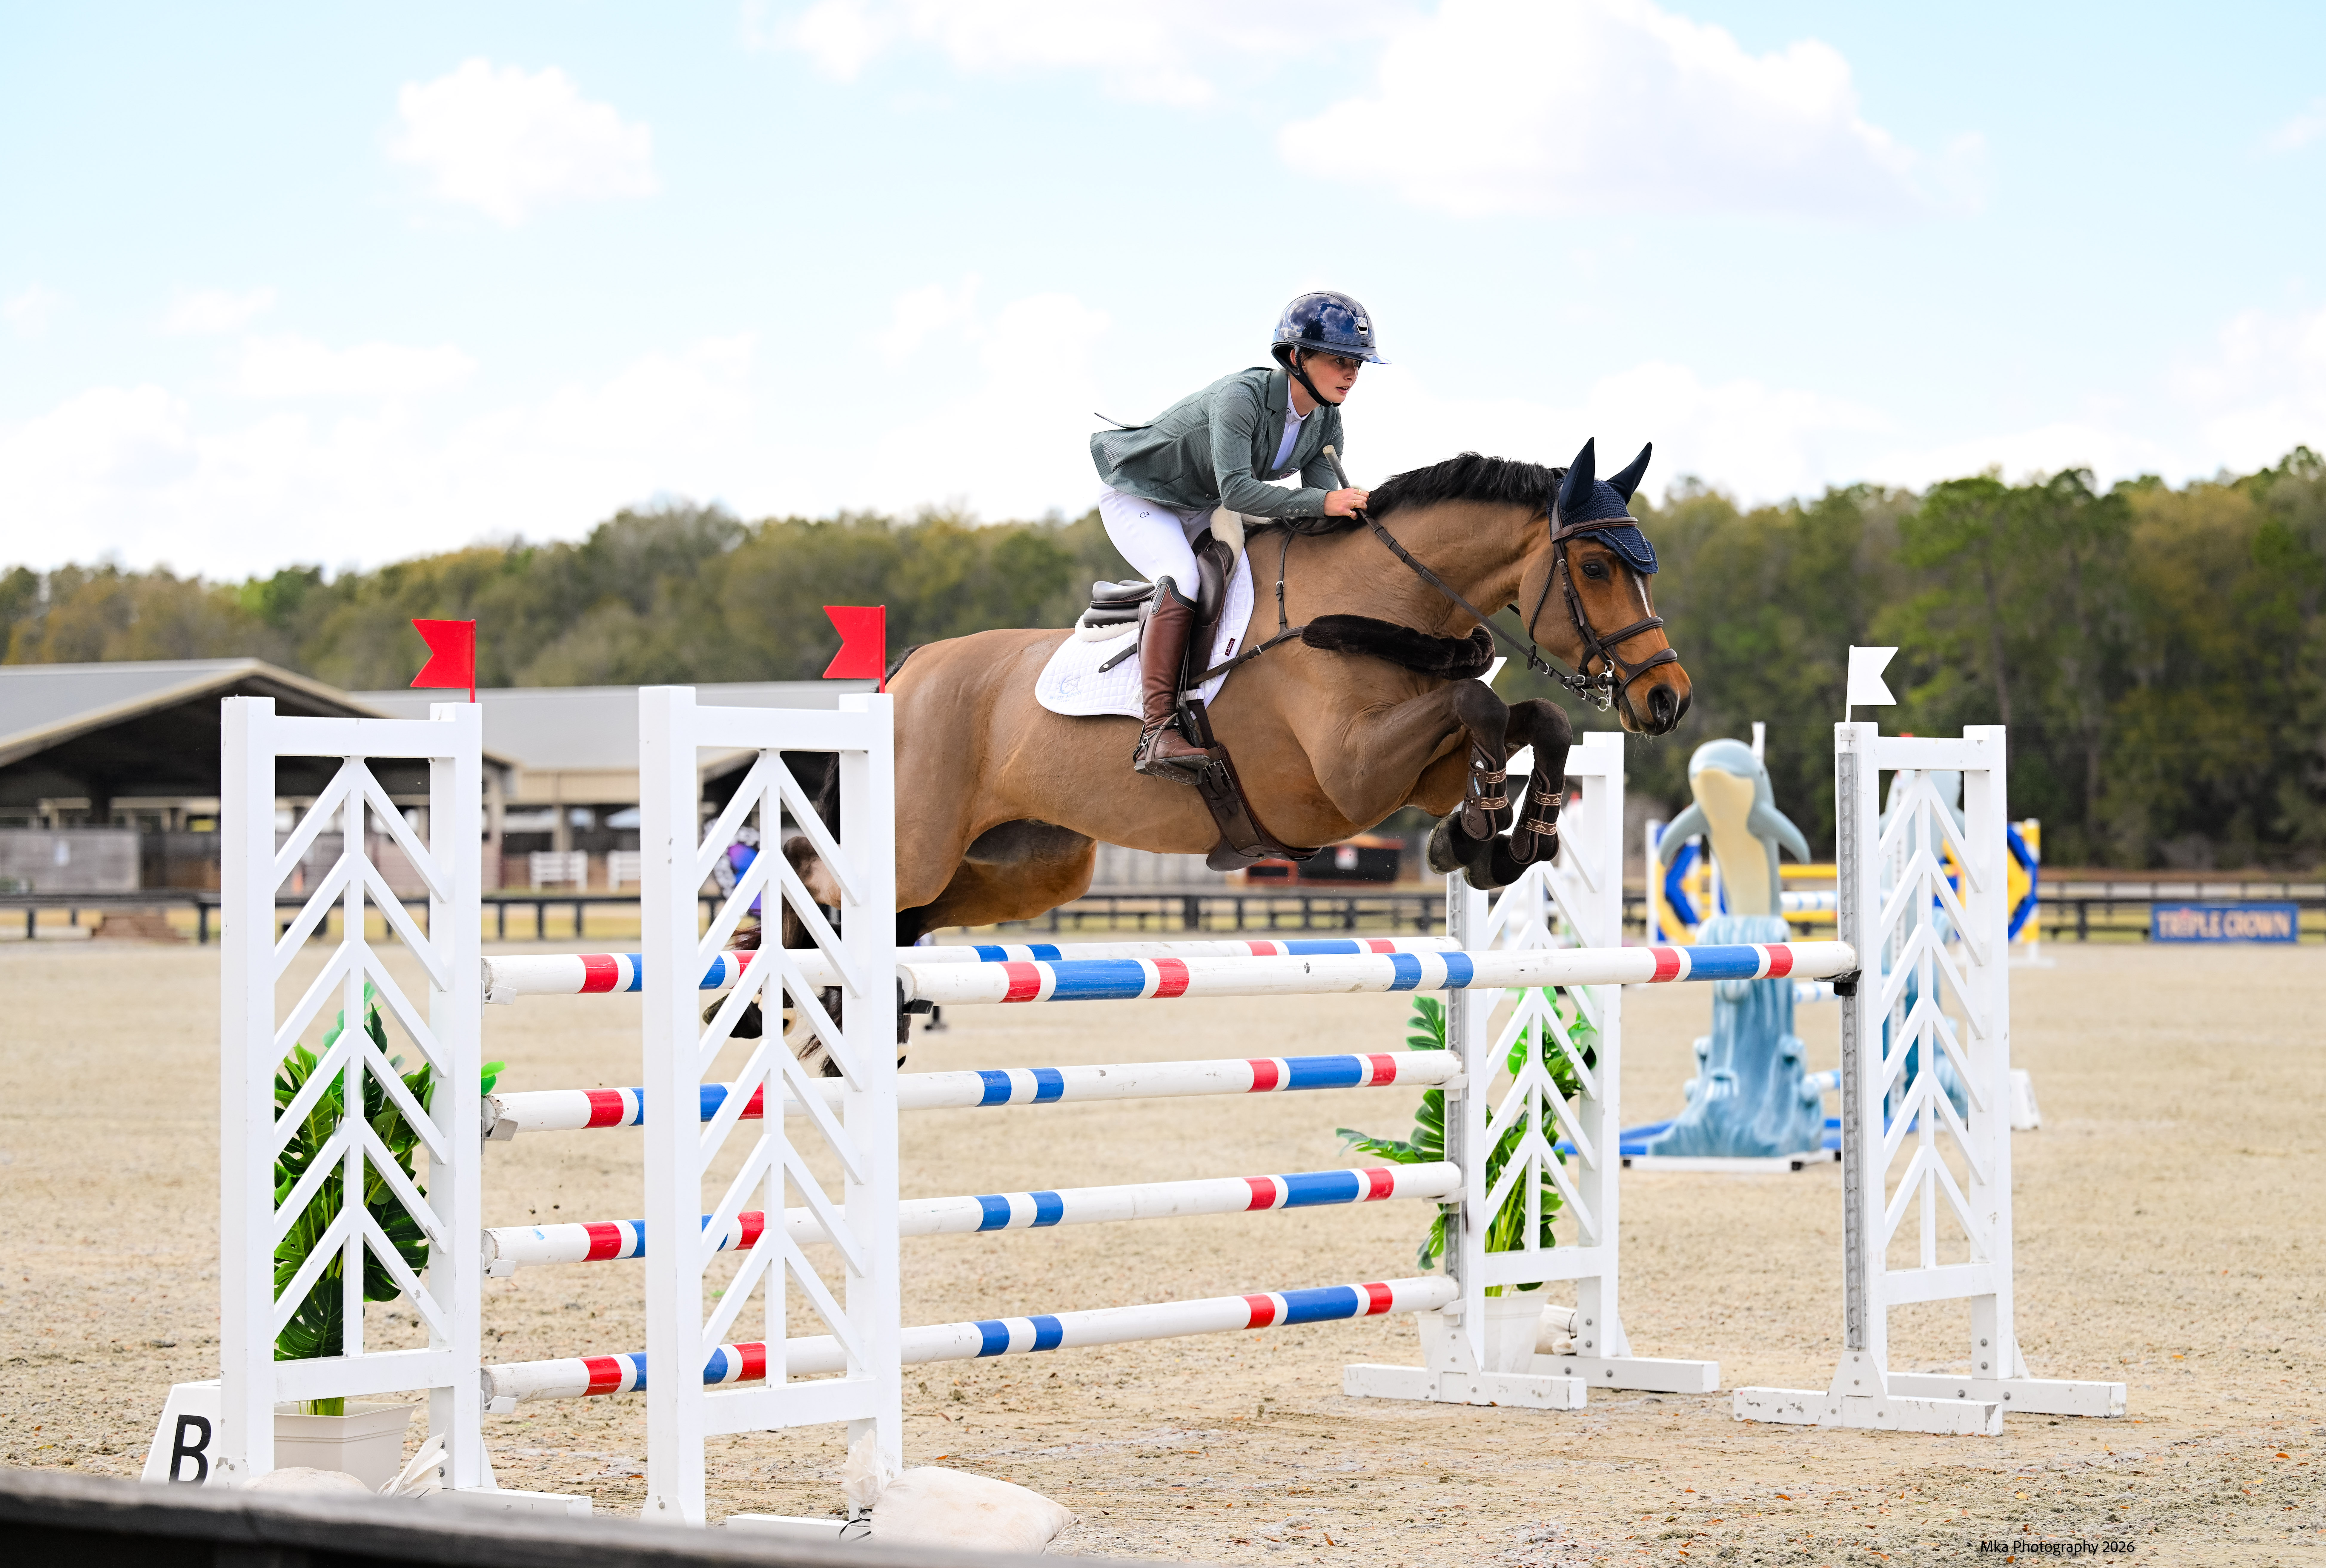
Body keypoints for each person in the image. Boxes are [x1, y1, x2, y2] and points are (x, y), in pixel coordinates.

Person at [1088, 291, 1386, 781]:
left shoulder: (1327, 420)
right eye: (1340, 360)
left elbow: (1316, 515)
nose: (1352, 373)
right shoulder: (1241, 398)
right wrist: (1329, 502)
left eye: (1357, 362)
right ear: (1296, 357)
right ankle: (1157, 731)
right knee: (1183, 576)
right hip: (1140, 496)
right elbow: (1240, 491)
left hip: (1202, 505)